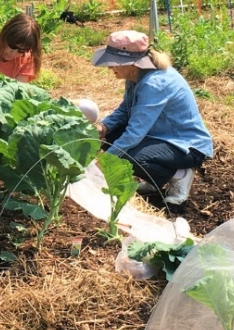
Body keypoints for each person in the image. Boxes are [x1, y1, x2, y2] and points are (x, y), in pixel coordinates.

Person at [91, 30, 213, 205]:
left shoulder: (154, 84)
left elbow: (135, 133)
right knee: (111, 137)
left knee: (128, 156)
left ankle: (179, 175)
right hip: (159, 137)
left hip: (186, 145)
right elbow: (125, 110)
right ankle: (156, 180)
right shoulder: (135, 76)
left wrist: (104, 162)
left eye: (115, 63)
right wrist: (104, 127)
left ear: (133, 63)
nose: (110, 67)